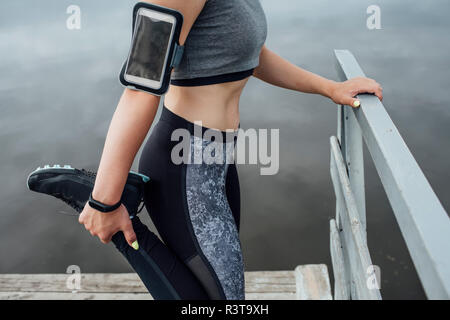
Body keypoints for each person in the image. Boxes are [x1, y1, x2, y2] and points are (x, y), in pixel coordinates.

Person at [77, 0, 383, 300]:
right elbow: (139, 88)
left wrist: (329, 88)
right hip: (183, 168)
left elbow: (251, 55)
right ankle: (107, 209)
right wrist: (105, 201)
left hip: (218, 164)